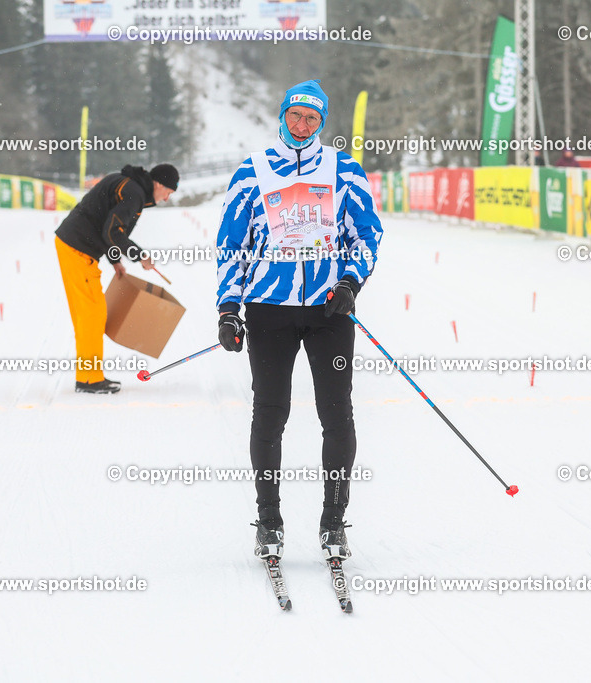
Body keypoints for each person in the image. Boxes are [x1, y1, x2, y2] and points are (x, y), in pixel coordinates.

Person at [215, 79, 383, 563]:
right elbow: (232, 243)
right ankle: (268, 522)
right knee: (270, 413)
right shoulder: (254, 171)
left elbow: (367, 234)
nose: (302, 125)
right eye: (296, 115)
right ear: (282, 115)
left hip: (328, 312)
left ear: (321, 123)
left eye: (312, 119)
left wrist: (351, 282)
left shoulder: (343, 170)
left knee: (337, 414)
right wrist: (229, 308)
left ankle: (334, 522)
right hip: (269, 311)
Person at [55, 163, 179, 394]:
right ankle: (89, 380)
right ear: (159, 184)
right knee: (92, 315)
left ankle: (88, 376)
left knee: (91, 314)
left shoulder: (131, 187)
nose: (165, 199)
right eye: (168, 193)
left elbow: (105, 222)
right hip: (77, 248)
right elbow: (112, 232)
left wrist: (115, 260)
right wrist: (140, 255)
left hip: (76, 246)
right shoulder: (135, 194)